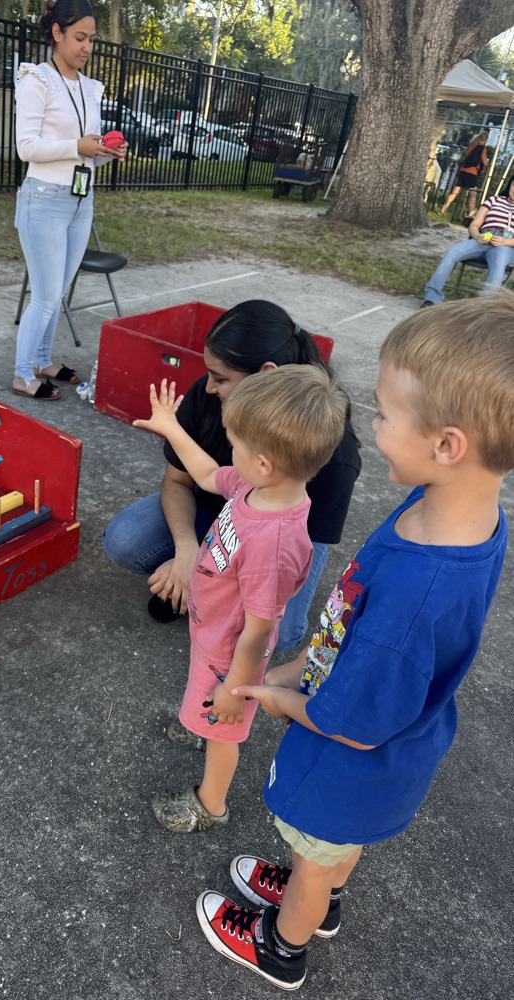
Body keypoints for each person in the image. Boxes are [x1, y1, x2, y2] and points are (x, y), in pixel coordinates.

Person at [194, 293, 514, 991]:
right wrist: (305, 661)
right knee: (336, 851)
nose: (371, 425)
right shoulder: (458, 509)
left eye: (384, 414)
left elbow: (354, 725)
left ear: (447, 445)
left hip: (348, 762)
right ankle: (323, 899)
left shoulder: (415, 592)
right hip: (395, 751)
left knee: (315, 855)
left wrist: (277, 695)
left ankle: (283, 945)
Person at [133, 368, 348, 834]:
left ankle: (209, 805)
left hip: (230, 654)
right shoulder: (257, 487)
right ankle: (202, 719)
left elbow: (259, 631)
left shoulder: (273, 544)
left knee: (224, 729)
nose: (228, 452)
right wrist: (171, 427)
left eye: (233, 444)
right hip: (213, 630)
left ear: (264, 462)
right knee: (208, 702)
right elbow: (209, 474)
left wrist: (234, 689)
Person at [103, 301, 361, 654]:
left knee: (278, 636)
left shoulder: (333, 455)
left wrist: (202, 576)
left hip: (278, 544)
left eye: (221, 378)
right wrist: (187, 552)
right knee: (125, 539)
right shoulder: (235, 467)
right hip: (226, 524)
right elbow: (197, 476)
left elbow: (286, 553)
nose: (208, 387)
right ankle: (196, 587)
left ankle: (197, 593)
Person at [13, 0, 127, 400]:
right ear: (57, 33)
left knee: (57, 292)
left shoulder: (89, 88)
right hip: (44, 198)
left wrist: (105, 151)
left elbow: (84, 152)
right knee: (45, 296)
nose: (87, 47)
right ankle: (22, 374)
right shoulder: (36, 80)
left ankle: (43, 361)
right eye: (80, 37)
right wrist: (77, 145)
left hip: (81, 200)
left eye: (92, 39)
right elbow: (26, 147)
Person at [421, 174, 514, 306]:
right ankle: (431, 298)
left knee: (499, 262)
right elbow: (474, 225)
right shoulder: (494, 200)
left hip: (507, 244)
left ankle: (485, 308)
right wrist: (477, 236)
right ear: (510, 184)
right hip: (483, 239)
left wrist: (504, 242)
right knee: (452, 253)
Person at [441, 131, 488, 217]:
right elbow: (485, 162)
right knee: (473, 193)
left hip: (463, 170)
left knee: (455, 191)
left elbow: (466, 155)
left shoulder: (471, 146)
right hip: (472, 172)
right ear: (485, 140)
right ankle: (471, 212)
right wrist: (485, 165)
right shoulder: (482, 148)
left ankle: (444, 208)